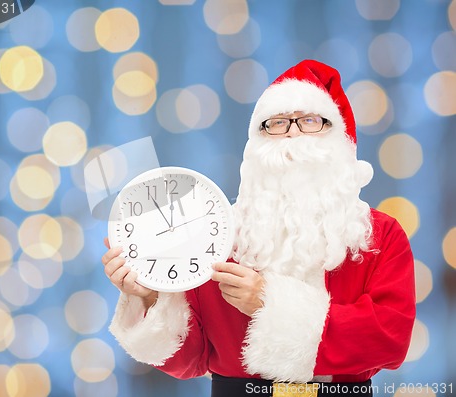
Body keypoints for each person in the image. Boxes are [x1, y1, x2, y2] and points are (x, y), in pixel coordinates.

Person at [101, 60, 416, 397]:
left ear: (339, 138)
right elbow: (190, 360)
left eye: (310, 120)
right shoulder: (215, 233)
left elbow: (389, 339)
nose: (293, 132)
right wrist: (150, 296)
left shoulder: (381, 235)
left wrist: (269, 302)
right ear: (256, 143)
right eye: (277, 123)